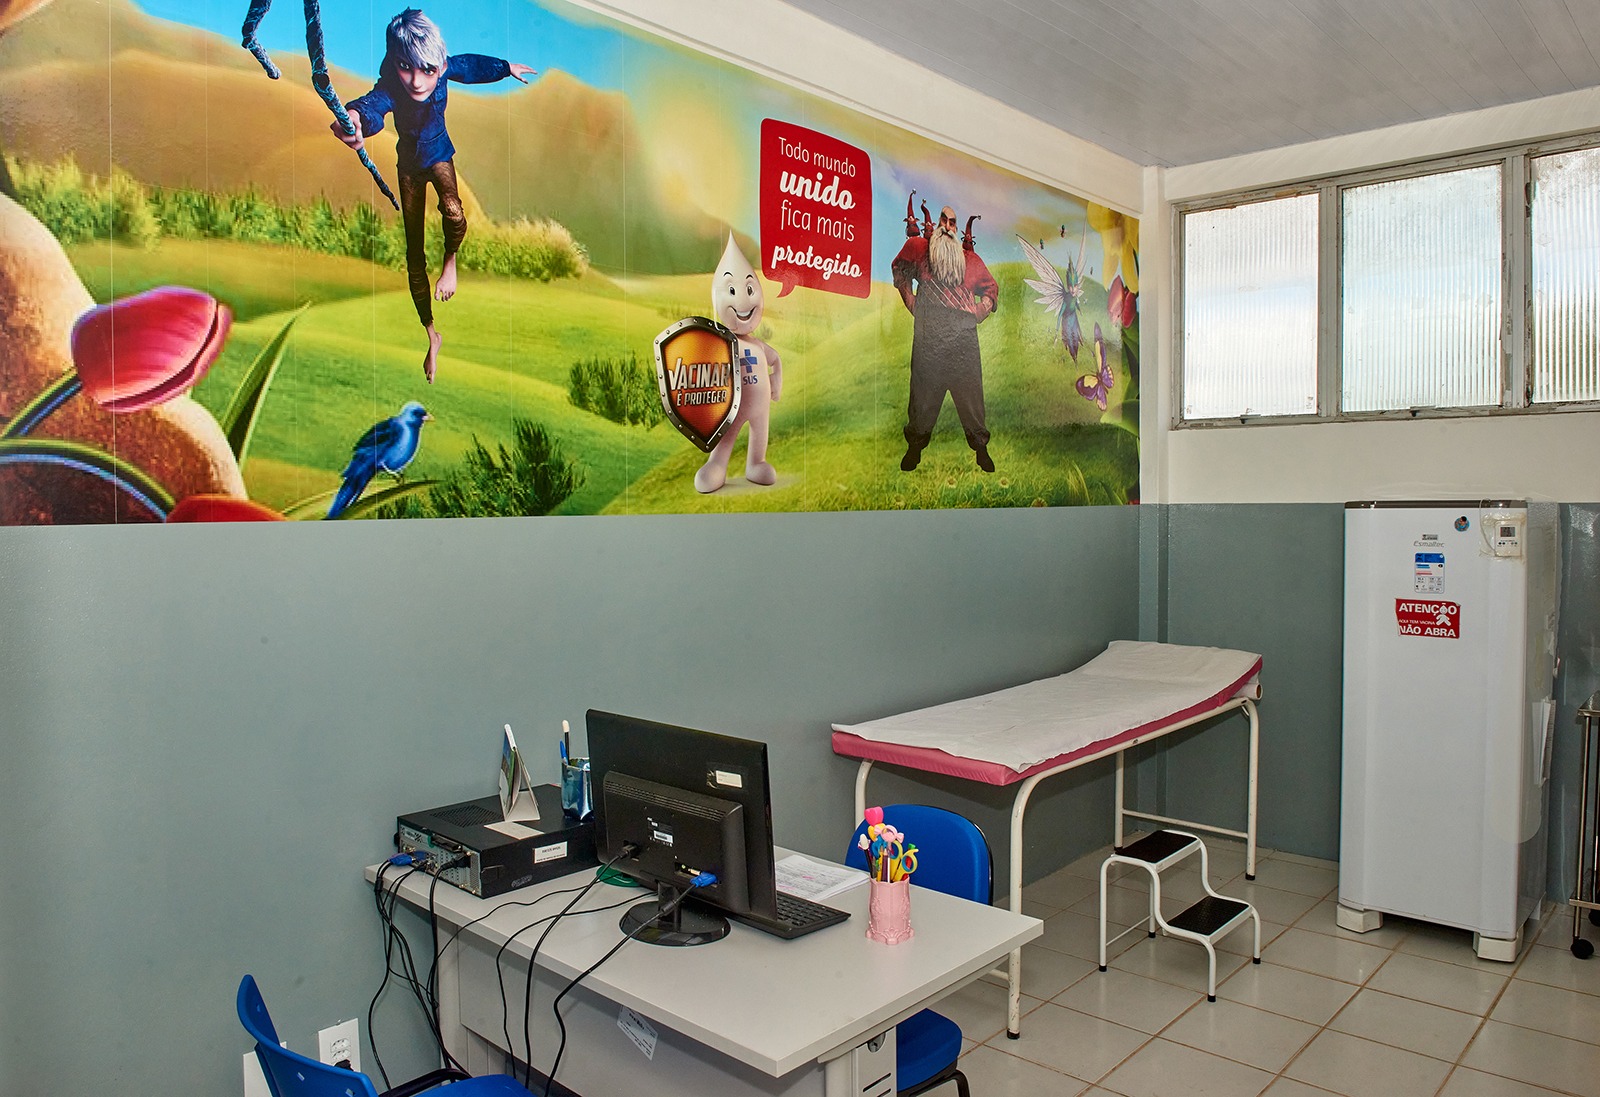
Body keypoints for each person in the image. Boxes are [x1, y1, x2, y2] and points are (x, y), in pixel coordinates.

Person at [334, 9, 535, 383]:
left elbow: (471, 67)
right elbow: (373, 105)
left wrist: (506, 68)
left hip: (440, 154)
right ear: (394, 62)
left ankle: (450, 262)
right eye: (405, 67)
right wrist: (354, 118)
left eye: (427, 70)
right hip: (409, 166)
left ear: (439, 65)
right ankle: (431, 335)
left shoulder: (443, 68)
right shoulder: (393, 86)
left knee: (455, 212)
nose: (417, 80)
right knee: (414, 252)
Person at [891, 204, 998, 472]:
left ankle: (981, 449)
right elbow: (900, 269)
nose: (948, 227)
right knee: (922, 395)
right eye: (943, 220)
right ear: (937, 224)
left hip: (963, 336)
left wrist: (980, 311)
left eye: (952, 222)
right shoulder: (919, 249)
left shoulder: (970, 260)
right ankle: (914, 448)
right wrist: (910, 301)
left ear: (956, 228)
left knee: (971, 396)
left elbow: (990, 288)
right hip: (929, 333)